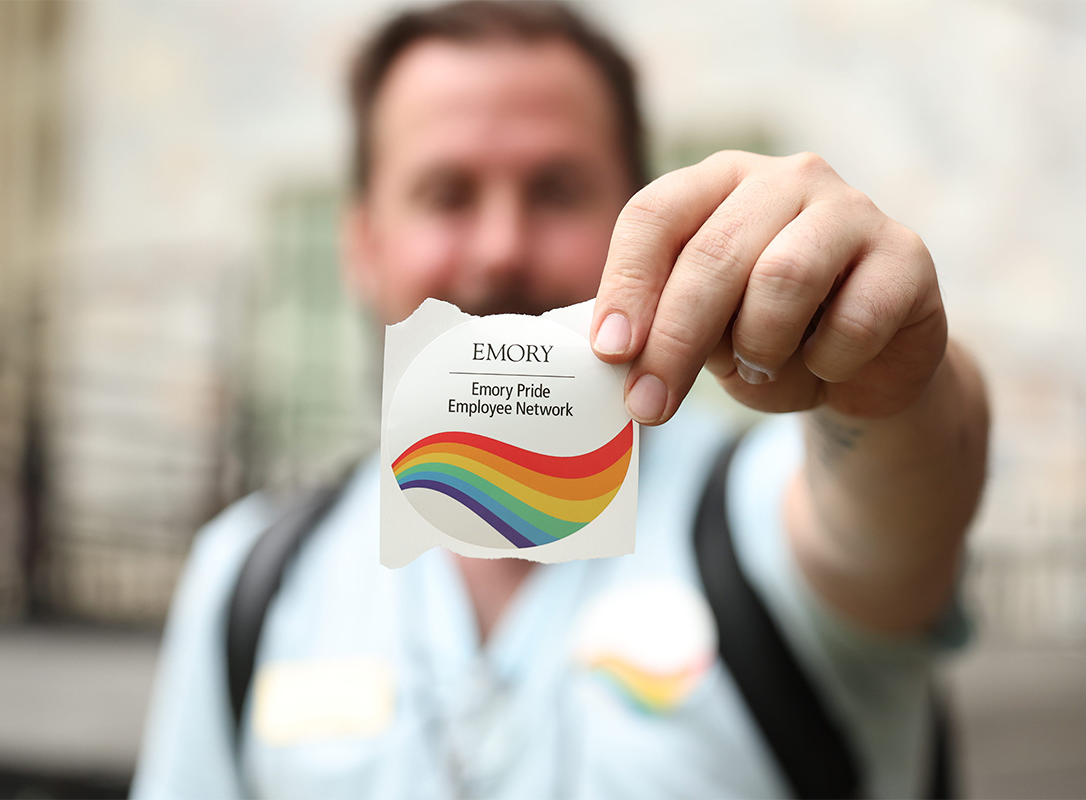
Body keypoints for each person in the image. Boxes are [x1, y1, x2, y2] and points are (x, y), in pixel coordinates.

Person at [132, 2, 990, 797]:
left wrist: (890, 387)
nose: (501, 248)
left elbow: (896, 504)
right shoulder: (251, 578)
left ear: (643, 214)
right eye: (447, 193)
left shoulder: (763, 515)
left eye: (556, 190)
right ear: (363, 246)